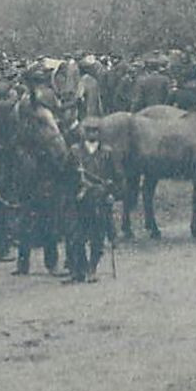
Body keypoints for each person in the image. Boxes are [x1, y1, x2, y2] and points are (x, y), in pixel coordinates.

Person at [65, 119, 120, 283]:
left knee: (97, 236)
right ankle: (79, 269)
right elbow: (66, 176)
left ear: (99, 133)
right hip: (79, 199)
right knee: (77, 236)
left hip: (100, 199)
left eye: (95, 131)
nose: (91, 134)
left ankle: (92, 268)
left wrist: (112, 194)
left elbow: (117, 177)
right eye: (88, 130)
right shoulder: (74, 152)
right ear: (83, 132)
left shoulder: (107, 152)